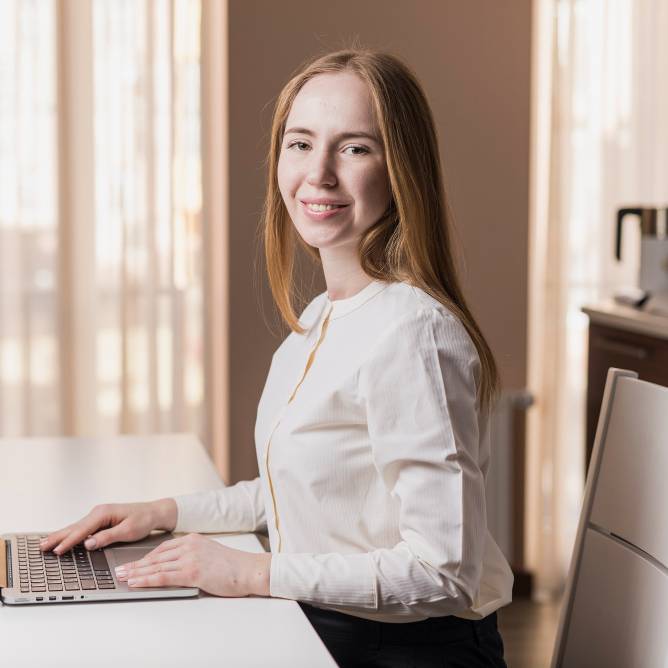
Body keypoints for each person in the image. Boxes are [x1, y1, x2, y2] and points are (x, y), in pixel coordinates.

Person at [41, 49, 513, 667]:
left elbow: (441, 571)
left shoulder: (412, 331)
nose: (319, 173)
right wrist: (164, 513)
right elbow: (306, 490)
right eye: (300, 144)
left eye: (354, 148)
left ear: (402, 169)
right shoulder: (322, 318)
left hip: (407, 649)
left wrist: (251, 571)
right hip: (336, 626)